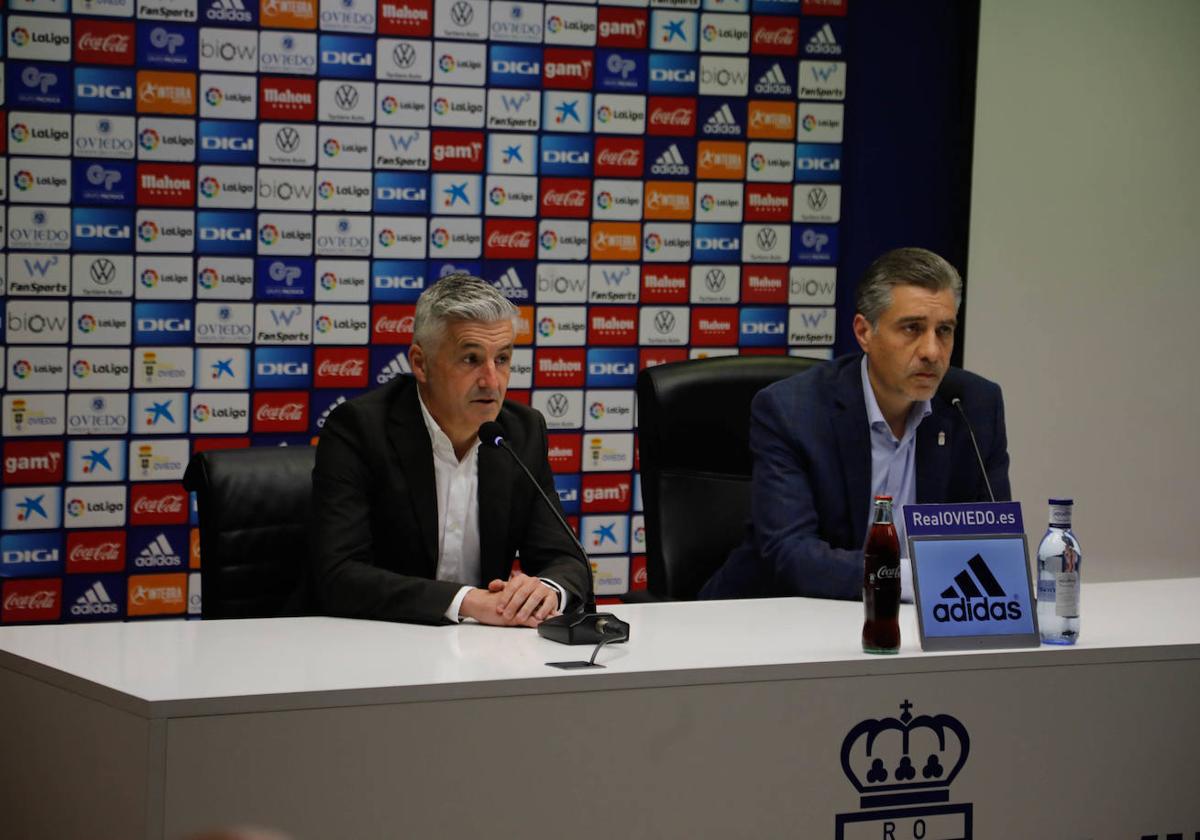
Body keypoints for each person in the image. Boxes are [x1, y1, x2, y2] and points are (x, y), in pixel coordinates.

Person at [701, 247, 1011, 601]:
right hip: (777, 617)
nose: (932, 351)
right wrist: (919, 579)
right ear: (864, 332)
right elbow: (792, 555)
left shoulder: (972, 407)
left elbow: (993, 545)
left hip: (912, 623)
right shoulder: (793, 411)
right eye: (912, 328)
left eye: (944, 331)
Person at [311, 274, 590, 626]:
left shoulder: (521, 432)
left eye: (502, 359)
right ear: (420, 363)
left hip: (480, 650)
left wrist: (547, 589)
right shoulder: (360, 429)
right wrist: (467, 601)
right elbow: (338, 574)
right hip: (377, 642)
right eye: (471, 359)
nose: (492, 380)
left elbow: (566, 558)